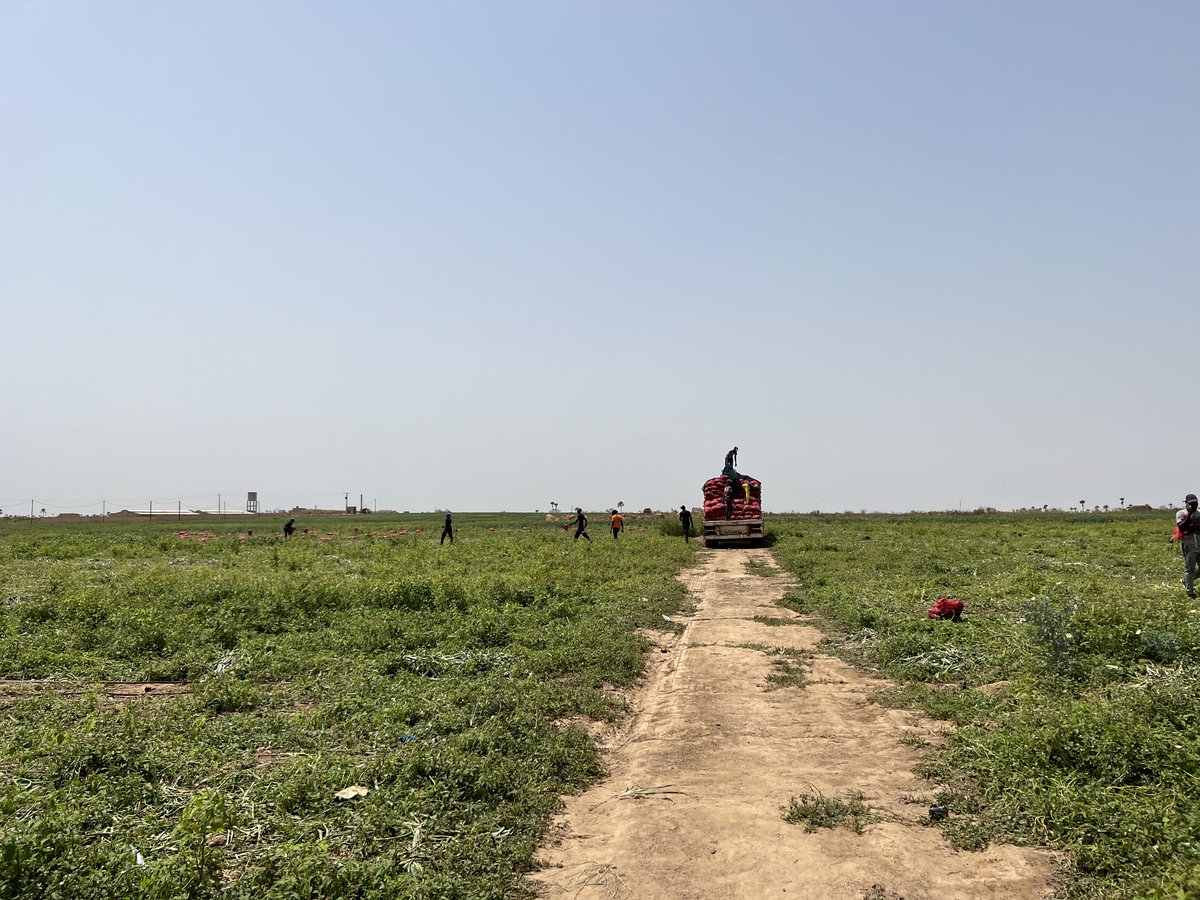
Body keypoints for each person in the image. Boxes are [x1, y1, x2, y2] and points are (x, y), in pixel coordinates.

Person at [1176, 494, 1200, 598]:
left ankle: (1187, 581)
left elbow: (1190, 528)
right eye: (1191, 504)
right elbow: (1181, 527)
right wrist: (1189, 514)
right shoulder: (1181, 513)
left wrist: (1192, 528)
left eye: (1195, 503)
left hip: (1199, 543)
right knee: (1190, 568)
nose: (1194, 506)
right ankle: (1190, 592)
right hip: (1188, 545)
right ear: (1186, 503)